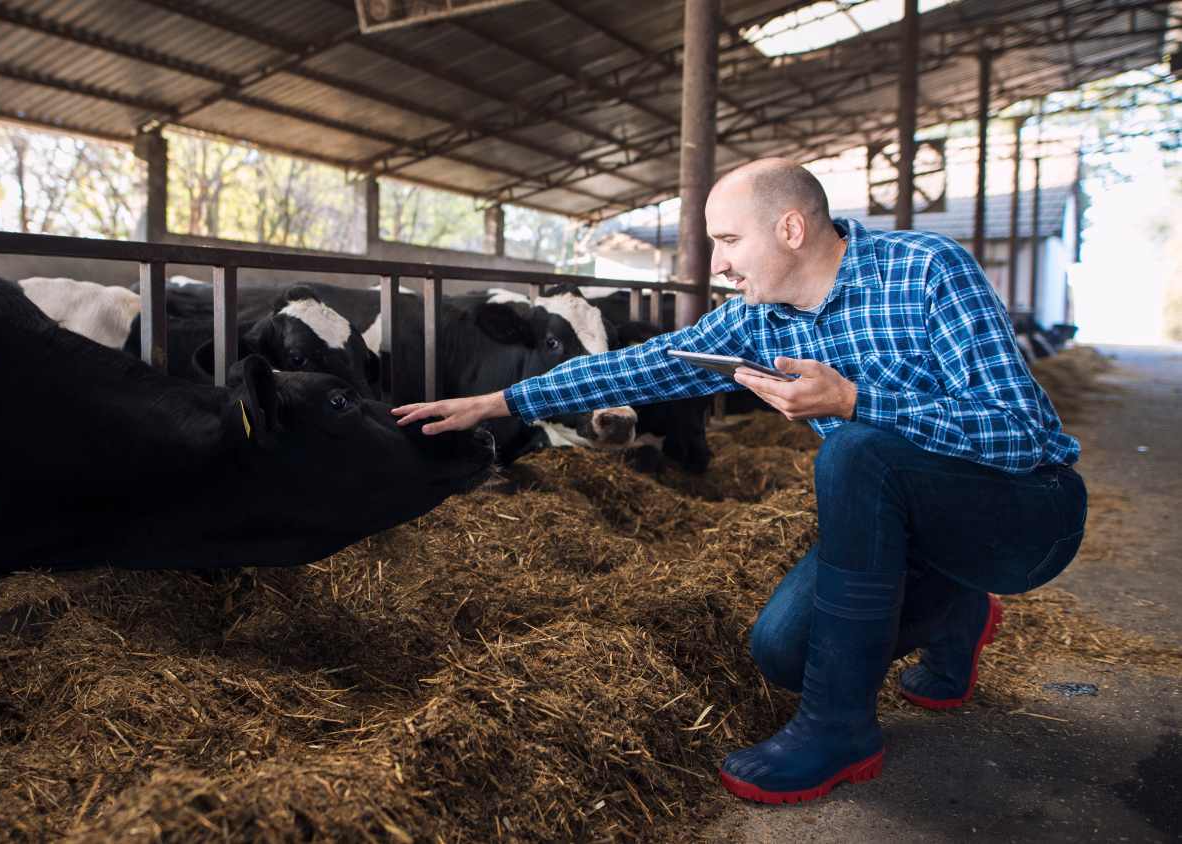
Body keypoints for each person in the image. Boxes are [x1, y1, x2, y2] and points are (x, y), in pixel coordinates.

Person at [391, 158, 1087, 804]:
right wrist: (499, 402)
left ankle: (839, 730)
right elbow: (642, 365)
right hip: (905, 529)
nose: (718, 264)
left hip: (1022, 516)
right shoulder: (758, 318)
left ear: (791, 229)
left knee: (856, 452)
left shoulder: (928, 269)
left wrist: (854, 401)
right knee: (784, 653)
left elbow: (1024, 434)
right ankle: (960, 611)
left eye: (728, 240)